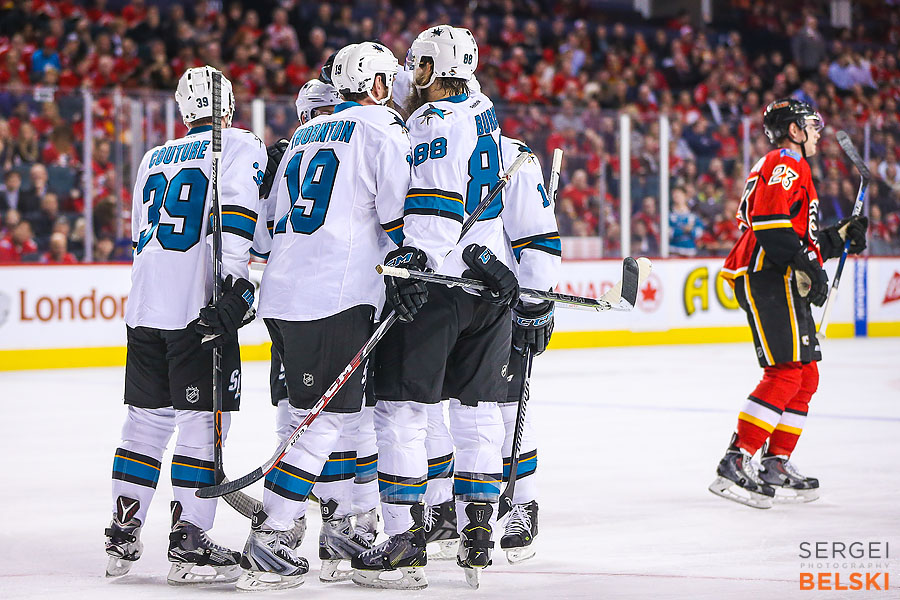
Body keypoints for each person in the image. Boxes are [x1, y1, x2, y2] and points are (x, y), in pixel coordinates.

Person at [237, 43, 410, 591]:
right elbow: (400, 216)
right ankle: (272, 535)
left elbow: (264, 231)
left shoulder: (303, 139)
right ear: (379, 84)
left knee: (346, 414)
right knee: (326, 422)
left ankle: (341, 527)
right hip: (334, 296)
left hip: (286, 296)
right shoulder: (381, 129)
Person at [354, 25, 519, 590]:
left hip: (439, 282)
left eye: (417, 65)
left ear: (433, 68)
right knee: (475, 416)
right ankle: (476, 532)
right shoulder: (486, 114)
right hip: (489, 284)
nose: (410, 74)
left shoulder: (433, 121)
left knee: (401, 412)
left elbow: (432, 202)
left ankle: (404, 541)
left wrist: (412, 262)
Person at [104, 66, 265, 583]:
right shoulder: (241, 144)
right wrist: (235, 288)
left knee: (145, 423)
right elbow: (237, 223)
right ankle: (189, 545)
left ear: (183, 108)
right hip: (199, 314)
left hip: (146, 307)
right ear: (230, 104)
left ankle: (123, 534)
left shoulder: (153, 157)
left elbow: (139, 236)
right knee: (203, 426)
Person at [712, 99, 868, 509]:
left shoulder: (793, 167)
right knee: (785, 373)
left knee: (806, 376)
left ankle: (775, 462)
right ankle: (735, 461)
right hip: (767, 273)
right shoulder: (785, 161)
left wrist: (839, 237)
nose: (816, 132)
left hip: (780, 272)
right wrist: (810, 268)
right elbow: (769, 224)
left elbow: (799, 236)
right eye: (809, 126)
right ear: (794, 131)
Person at [421, 135, 561, 565]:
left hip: (502, 303)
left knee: (502, 406)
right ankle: (443, 507)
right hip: (439, 298)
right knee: (425, 410)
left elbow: (537, 233)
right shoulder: (424, 141)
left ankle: (523, 503)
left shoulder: (512, 154)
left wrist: (535, 303)